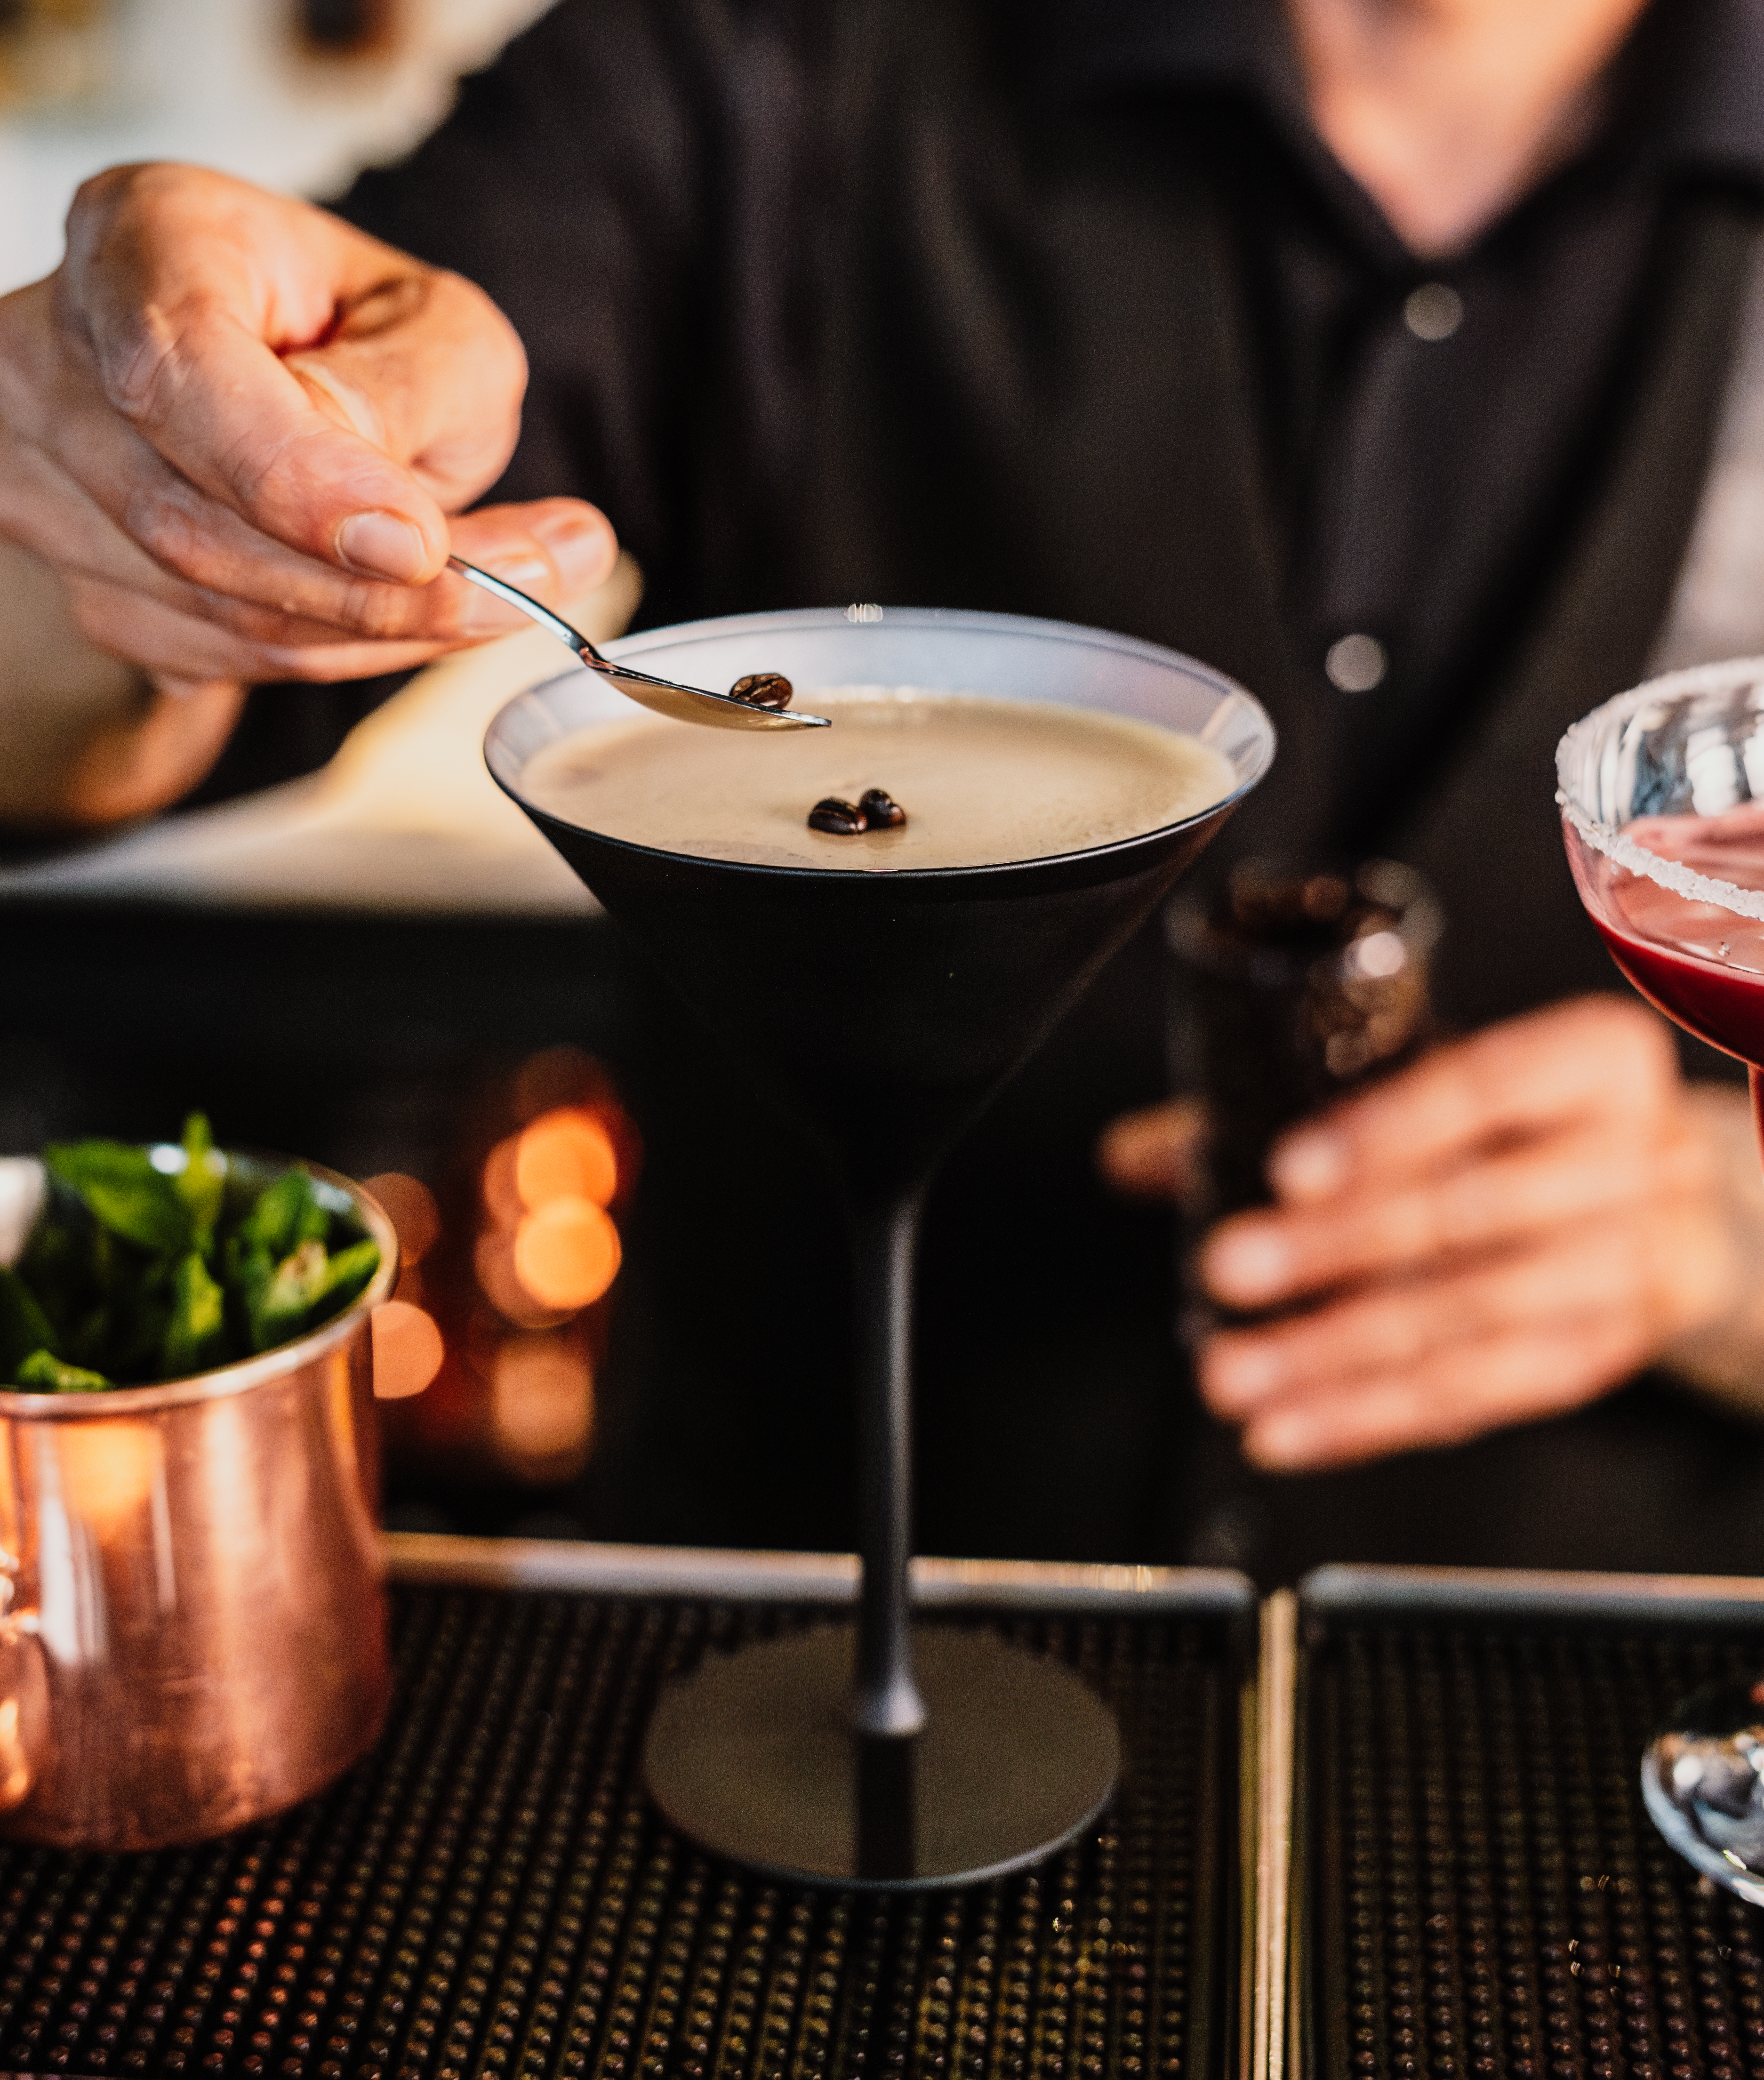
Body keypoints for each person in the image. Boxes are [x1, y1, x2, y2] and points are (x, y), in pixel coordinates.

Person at [5, 0, 1764, 1566]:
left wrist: (1727, 1228)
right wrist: (104, 485)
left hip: (1577, 1716)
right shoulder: (769, 68)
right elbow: (123, 695)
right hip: (764, 1660)